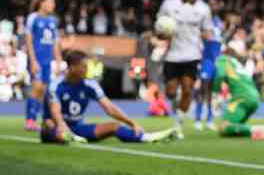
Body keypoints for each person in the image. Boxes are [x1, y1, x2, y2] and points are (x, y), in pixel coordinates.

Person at [41, 49, 178, 144]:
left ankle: (145, 137)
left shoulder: (90, 84)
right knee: (50, 124)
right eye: (83, 66)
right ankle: (66, 137)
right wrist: (61, 125)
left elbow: (109, 108)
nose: (87, 69)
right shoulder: (56, 84)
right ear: (71, 67)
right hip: (56, 127)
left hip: (76, 128)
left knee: (114, 126)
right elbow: (55, 111)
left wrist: (131, 123)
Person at [157, 0, 213, 134]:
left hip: (192, 55)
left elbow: (208, 31)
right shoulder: (169, 3)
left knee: (188, 90)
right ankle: (177, 104)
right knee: (171, 92)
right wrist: (162, 33)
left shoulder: (203, 8)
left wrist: (208, 41)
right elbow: (159, 27)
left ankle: (178, 125)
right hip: (172, 55)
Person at [212, 40, 264, 140]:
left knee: (224, 128)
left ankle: (255, 130)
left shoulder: (223, 59)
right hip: (254, 97)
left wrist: (215, 93)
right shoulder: (237, 64)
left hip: (242, 97)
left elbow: (220, 75)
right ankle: (253, 132)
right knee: (234, 127)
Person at [24, 0, 62, 132]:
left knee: (44, 91)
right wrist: (33, 60)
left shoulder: (53, 21)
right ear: (42, 3)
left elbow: (55, 43)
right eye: (50, 2)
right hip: (37, 59)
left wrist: (58, 61)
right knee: (37, 88)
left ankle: (38, 119)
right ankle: (30, 120)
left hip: (48, 61)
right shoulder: (33, 18)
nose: (53, 5)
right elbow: (28, 40)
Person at [195, 0, 226, 131]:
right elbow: (199, 37)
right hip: (206, 59)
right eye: (211, 4)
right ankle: (197, 119)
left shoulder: (220, 23)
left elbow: (220, 41)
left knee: (212, 91)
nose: (214, 6)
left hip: (216, 60)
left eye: (216, 4)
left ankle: (209, 119)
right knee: (202, 89)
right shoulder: (204, 21)